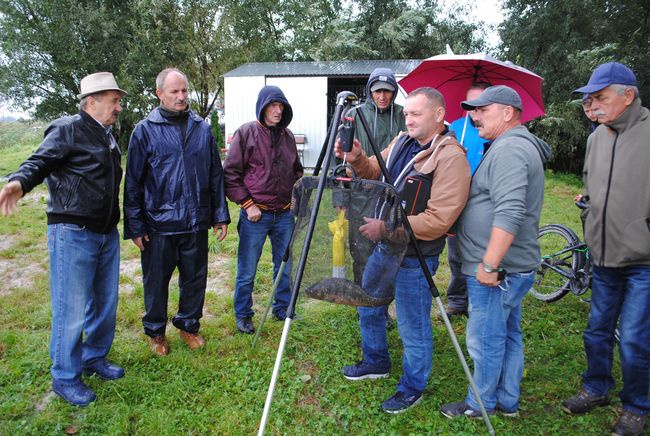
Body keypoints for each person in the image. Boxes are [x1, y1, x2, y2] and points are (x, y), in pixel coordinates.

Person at [335, 87, 471, 414]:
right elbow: (374, 170)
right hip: (385, 248)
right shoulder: (402, 142)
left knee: (413, 326)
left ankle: (413, 387)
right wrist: (355, 157)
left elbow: (439, 219)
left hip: (415, 258)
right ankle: (376, 361)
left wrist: (387, 228)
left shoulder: (450, 157)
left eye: (416, 114)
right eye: (407, 113)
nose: (408, 119)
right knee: (369, 305)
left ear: (439, 115)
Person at [0, 72, 127, 406]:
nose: (119, 106)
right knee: (70, 311)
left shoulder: (108, 135)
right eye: (114, 99)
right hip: (72, 232)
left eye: (119, 100)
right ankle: (65, 377)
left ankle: (94, 357)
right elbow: (40, 161)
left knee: (105, 303)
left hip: (105, 232)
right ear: (92, 101)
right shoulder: (68, 128)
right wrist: (19, 183)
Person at [440, 85, 551, 419]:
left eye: (482, 110)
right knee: (508, 333)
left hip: (497, 271)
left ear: (507, 113)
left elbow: (510, 211)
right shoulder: (506, 145)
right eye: (473, 110)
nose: (474, 117)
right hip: (511, 266)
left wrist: (489, 263)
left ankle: (481, 404)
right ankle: (507, 399)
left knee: (485, 338)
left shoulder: (510, 151)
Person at [561, 62, 649, 436]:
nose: (591, 107)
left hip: (643, 259)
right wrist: (590, 203)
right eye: (588, 100)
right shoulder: (598, 137)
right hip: (602, 254)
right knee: (596, 330)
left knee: (633, 337)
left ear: (627, 96)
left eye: (599, 98)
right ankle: (596, 387)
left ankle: (636, 406)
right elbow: (591, 181)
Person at [123, 68, 230, 356]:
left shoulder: (202, 129)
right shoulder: (145, 131)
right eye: (174, 92)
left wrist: (220, 214)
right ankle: (156, 332)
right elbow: (132, 182)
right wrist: (135, 225)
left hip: (196, 221)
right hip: (158, 224)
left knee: (195, 279)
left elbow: (215, 175)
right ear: (159, 94)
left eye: (184, 90)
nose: (182, 96)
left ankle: (188, 326)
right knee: (156, 282)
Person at [223, 85, 303, 334]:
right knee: (247, 270)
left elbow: (297, 172)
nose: (278, 111)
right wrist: (248, 205)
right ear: (263, 107)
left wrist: (297, 198)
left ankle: (282, 308)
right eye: (273, 106)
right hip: (256, 215)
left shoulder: (287, 136)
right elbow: (231, 174)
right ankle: (243, 314)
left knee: (285, 267)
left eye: (281, 106)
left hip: (284, 214)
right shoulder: (246, 133)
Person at [348, 68, 406, 329]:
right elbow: (343, 153)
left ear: (394, 91)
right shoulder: (355, 113)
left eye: (387, 90)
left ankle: (382, 307)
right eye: (377, 90)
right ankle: (363, 304)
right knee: (361, 251)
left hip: (391, 193)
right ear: (370, 91)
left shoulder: (404, 115)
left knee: (389, 251)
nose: (383, 96)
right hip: (360, 192)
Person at [444, 82, 491, 318]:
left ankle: (479, 300)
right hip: (458, 198)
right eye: (469, 103)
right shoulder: (457, 127)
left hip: (483, 202)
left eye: (480, 102)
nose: (474, 108)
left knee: (480, 252)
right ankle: (457, 300)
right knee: (456, 254)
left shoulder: (494, 130)